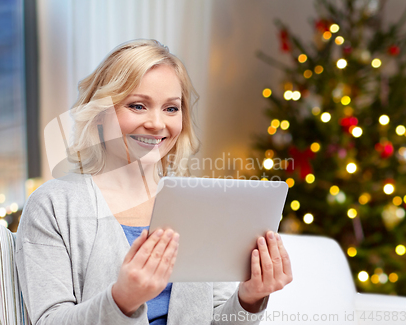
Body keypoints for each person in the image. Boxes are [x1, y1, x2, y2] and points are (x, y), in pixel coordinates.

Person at [15, 39, 293, 325]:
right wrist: (122, 299)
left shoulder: (197, 203)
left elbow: (215, 318)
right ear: (99, 114)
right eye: (138, 106)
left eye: (171, 109)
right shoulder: (53, 205)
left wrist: (249, 298)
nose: (157, 124)